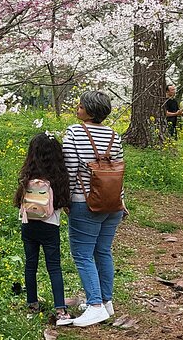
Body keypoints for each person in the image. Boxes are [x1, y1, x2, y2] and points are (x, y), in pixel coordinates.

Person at [62, 91, 125, 327]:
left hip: (85, 202)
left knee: (82, 253)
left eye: (82, 104)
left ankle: (96, 305)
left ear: (89, 110)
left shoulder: (75, 132)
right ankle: (106, 302)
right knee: (103, 251)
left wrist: (65, 199)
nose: (78, 106)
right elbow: (117, 171)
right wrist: (121, 200)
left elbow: (69, 168)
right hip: (113, 203)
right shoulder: (114, 135)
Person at [14, 133, 72, 326]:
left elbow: (18, 202)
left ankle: (32, 305)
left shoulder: (27, 176)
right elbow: (63, 203)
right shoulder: (58, 177)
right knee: (54, 267)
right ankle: (61, 310)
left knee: (31, 265)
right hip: (50, 227)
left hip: (28, 225)